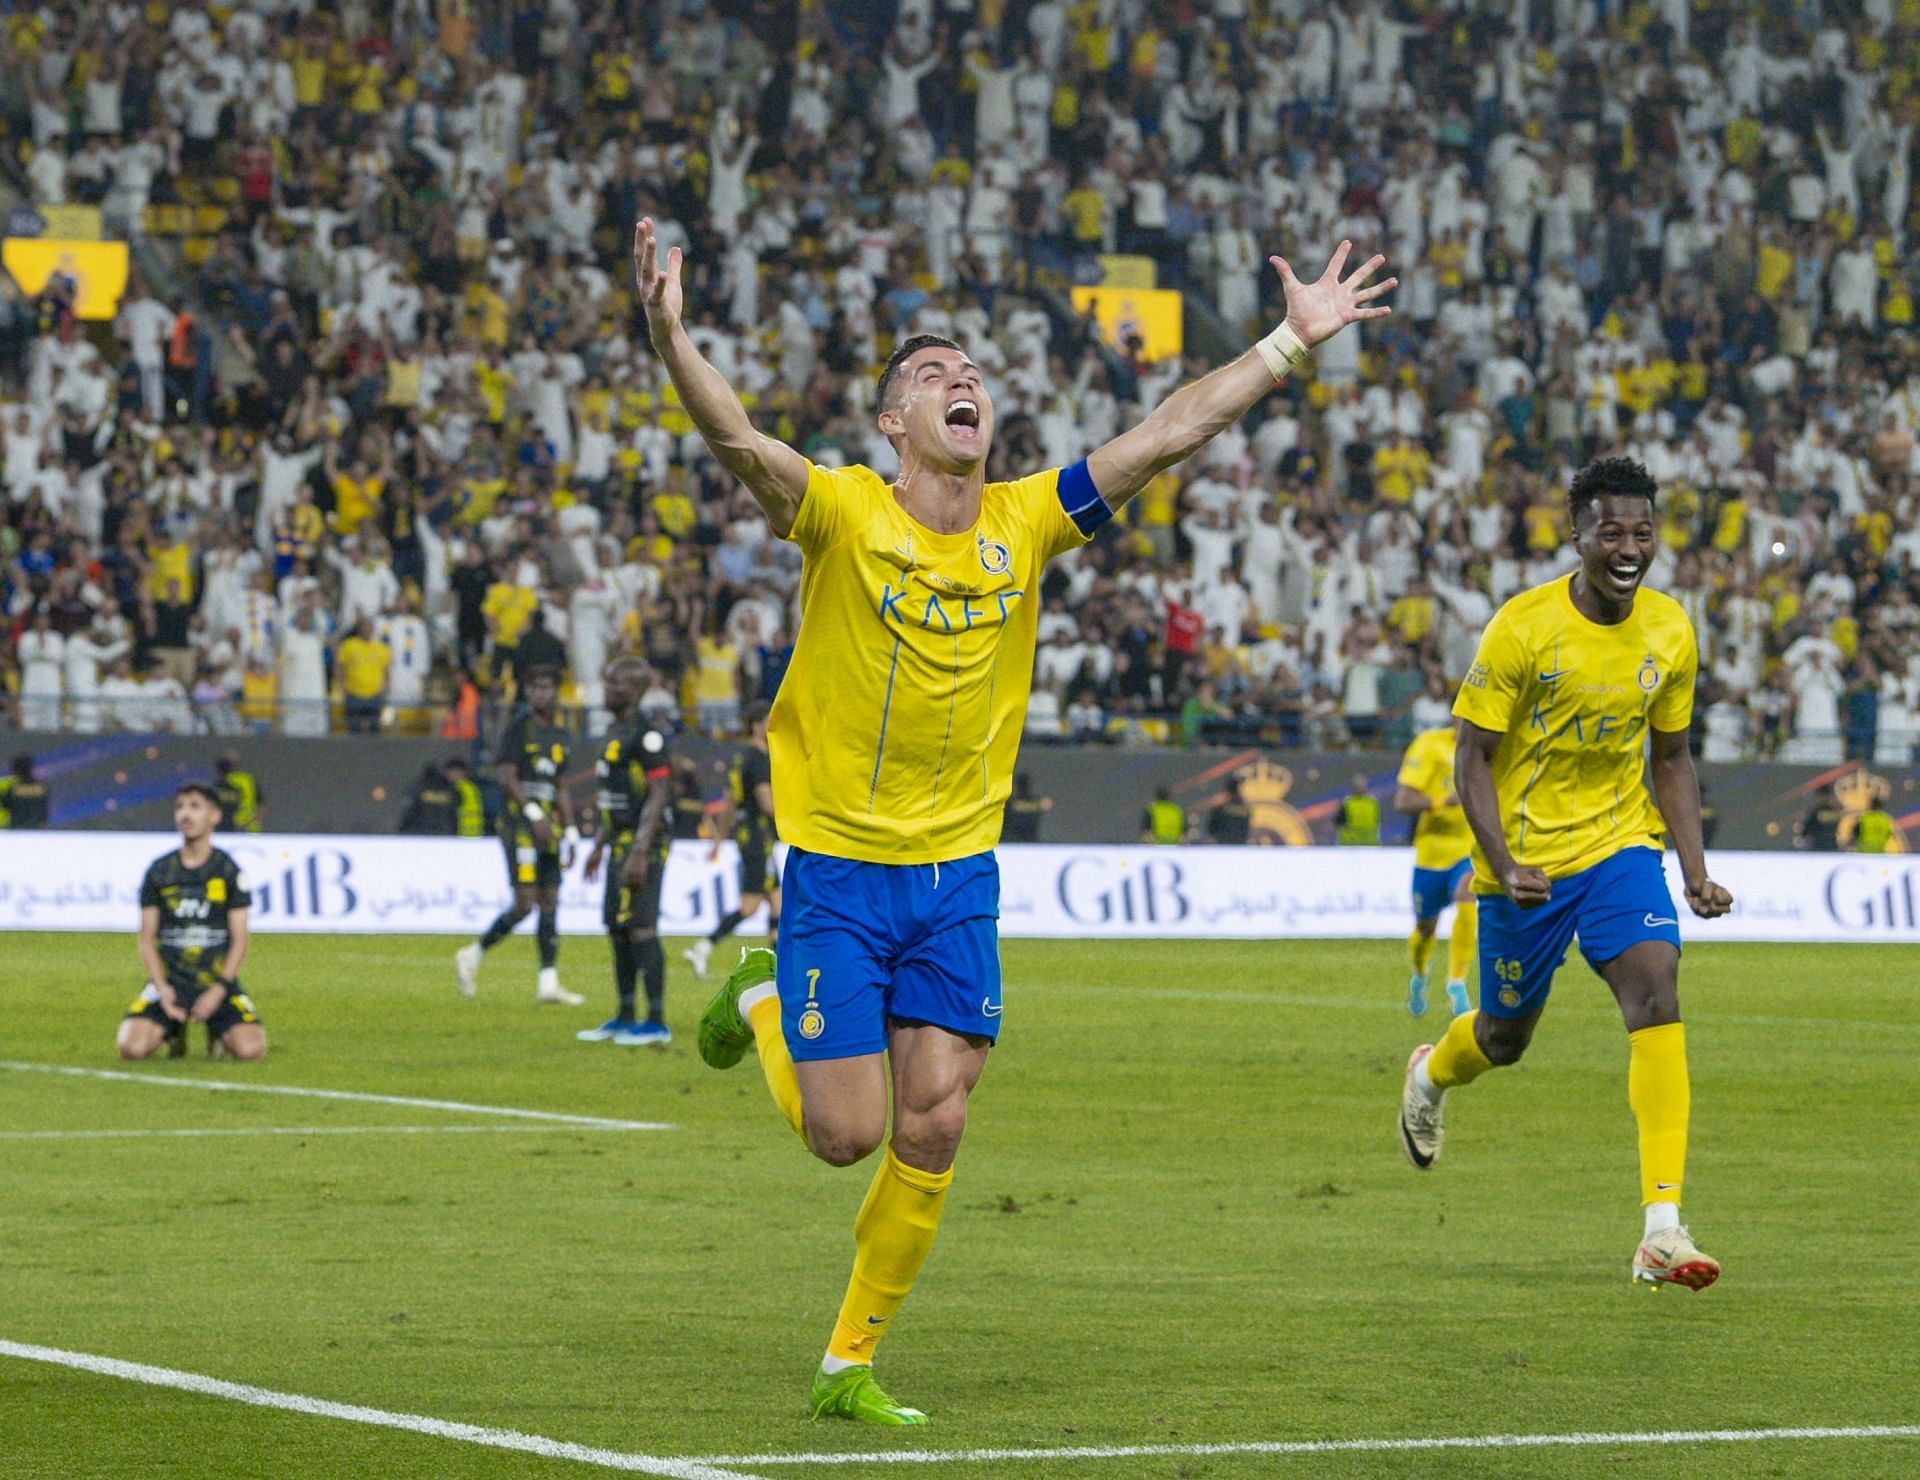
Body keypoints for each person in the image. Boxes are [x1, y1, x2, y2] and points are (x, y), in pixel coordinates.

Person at [633, 215, 1392, 1422]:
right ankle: (766, 999)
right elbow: (735, 438)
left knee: (934, 1120)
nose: (961, 382)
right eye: (932, 376)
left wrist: (1288, 347)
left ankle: (849, 1365)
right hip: (841, 866)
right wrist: (672, 340)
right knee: (846, 1134)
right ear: (893, 424)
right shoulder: (839, 512)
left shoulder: (1027, 521)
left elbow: (1165, 434)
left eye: (971, 372)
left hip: (957, 876)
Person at [1397, 456, 1733, 1293]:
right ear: (1577, 535)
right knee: (1505, 1038)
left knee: (1657, 991)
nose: (1629, 547)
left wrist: (1693, 870)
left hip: (1621, 847)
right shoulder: (1522, 628)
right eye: (1611, 531)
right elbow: (1470, 760)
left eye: (1643, 532)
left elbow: (1673, 757)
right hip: (1527, 867)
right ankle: (1433, 1072)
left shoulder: (1669, 630)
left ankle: (1662, 1227)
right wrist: (1505, 861)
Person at [454, 665, 585, 1005]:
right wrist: (532, 814)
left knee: (551, 901)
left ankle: (548, 982)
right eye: (535, 688)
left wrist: (570, 831)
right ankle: (473, 953)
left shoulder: (560, 736)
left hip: (549, 826)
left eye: (547, 687)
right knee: (526, 903)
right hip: (520, 824)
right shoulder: (518, 729)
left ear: (556, 692)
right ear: (527, 693)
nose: (541, 694)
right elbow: (508, 777)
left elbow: (559, 787)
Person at [117, 783, 265, 1062]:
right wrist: (162, 989)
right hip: (171, 983)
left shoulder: (228, 870)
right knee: (131, 1049)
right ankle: (173, 1029)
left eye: (195, 806)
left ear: (215, 816)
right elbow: (146, 939)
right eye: (180, 807)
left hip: (216, 982)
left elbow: (240, 938)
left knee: (251, 1051)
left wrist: (218, 990)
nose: (185, 814)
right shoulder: (160, 871)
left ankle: (216, 1031)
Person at [579, 657, 676, 1045]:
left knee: (640, 926)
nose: (606, 690)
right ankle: (624, 1014)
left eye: (614, 684)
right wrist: (599, 845)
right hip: (618, 840)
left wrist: (640, 849)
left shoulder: (647, 735)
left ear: (634, 690)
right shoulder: (614, 730)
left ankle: (656, 1020)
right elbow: (614, 797)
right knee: (617, 928)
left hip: (645, 844)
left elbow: (657, 793)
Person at [684, 699, 778, 979]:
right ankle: (703, 946)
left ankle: (777, 972)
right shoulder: (760, 759)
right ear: (757, 725)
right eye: (770, 720)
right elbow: (766, 803)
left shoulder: (741, 758)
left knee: (777, 903)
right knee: (750, 907)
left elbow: (729, 802)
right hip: (759, 838)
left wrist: (719, 840)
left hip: (747, 835)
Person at [1394, 727, 1476, 1017]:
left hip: (1466, 850)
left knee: (1468, 898)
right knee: (1425, 929)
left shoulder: (1489, 744)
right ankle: (1419, 974)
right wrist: (1444, 801)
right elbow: (1403, 801)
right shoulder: (1430, 744)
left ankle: (1456, 983)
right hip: (1430, 854)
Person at [399, 763, 458, 834]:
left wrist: (403, 828)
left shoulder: (418, 788)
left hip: (420, 831)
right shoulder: (449, 789)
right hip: (445, 832)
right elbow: (454, 811)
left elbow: (410, 811)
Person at [213, 752, 263, 832]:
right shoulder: (217, 784)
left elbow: (261, 807)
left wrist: (247, 824)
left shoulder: (247, 782)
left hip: (247, 831)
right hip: (223, 830)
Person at [0, 755, 49, 829]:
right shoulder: (41, 786)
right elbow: (43, 808)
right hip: (35, 828)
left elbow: (6, 804)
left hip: (17, 828)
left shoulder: (14, 787)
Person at [1001, 772, 1053, 842]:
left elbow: (1047, 804)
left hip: (1030, 838)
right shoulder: (1011, 803)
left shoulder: (1035, 801)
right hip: (1014, 839)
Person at [445, 757, 486, 837]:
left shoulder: (460, 789)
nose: (448, 775)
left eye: (450, 772)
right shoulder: (471, 787)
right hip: (475, 832)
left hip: (464, 833)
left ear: (460, 772)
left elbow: (451, 810)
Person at [1335, 776, 1382, 845]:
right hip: (1365, 845)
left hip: (1352, 845)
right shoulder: (1373, 803)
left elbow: (1338, 823)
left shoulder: (1346, 803)